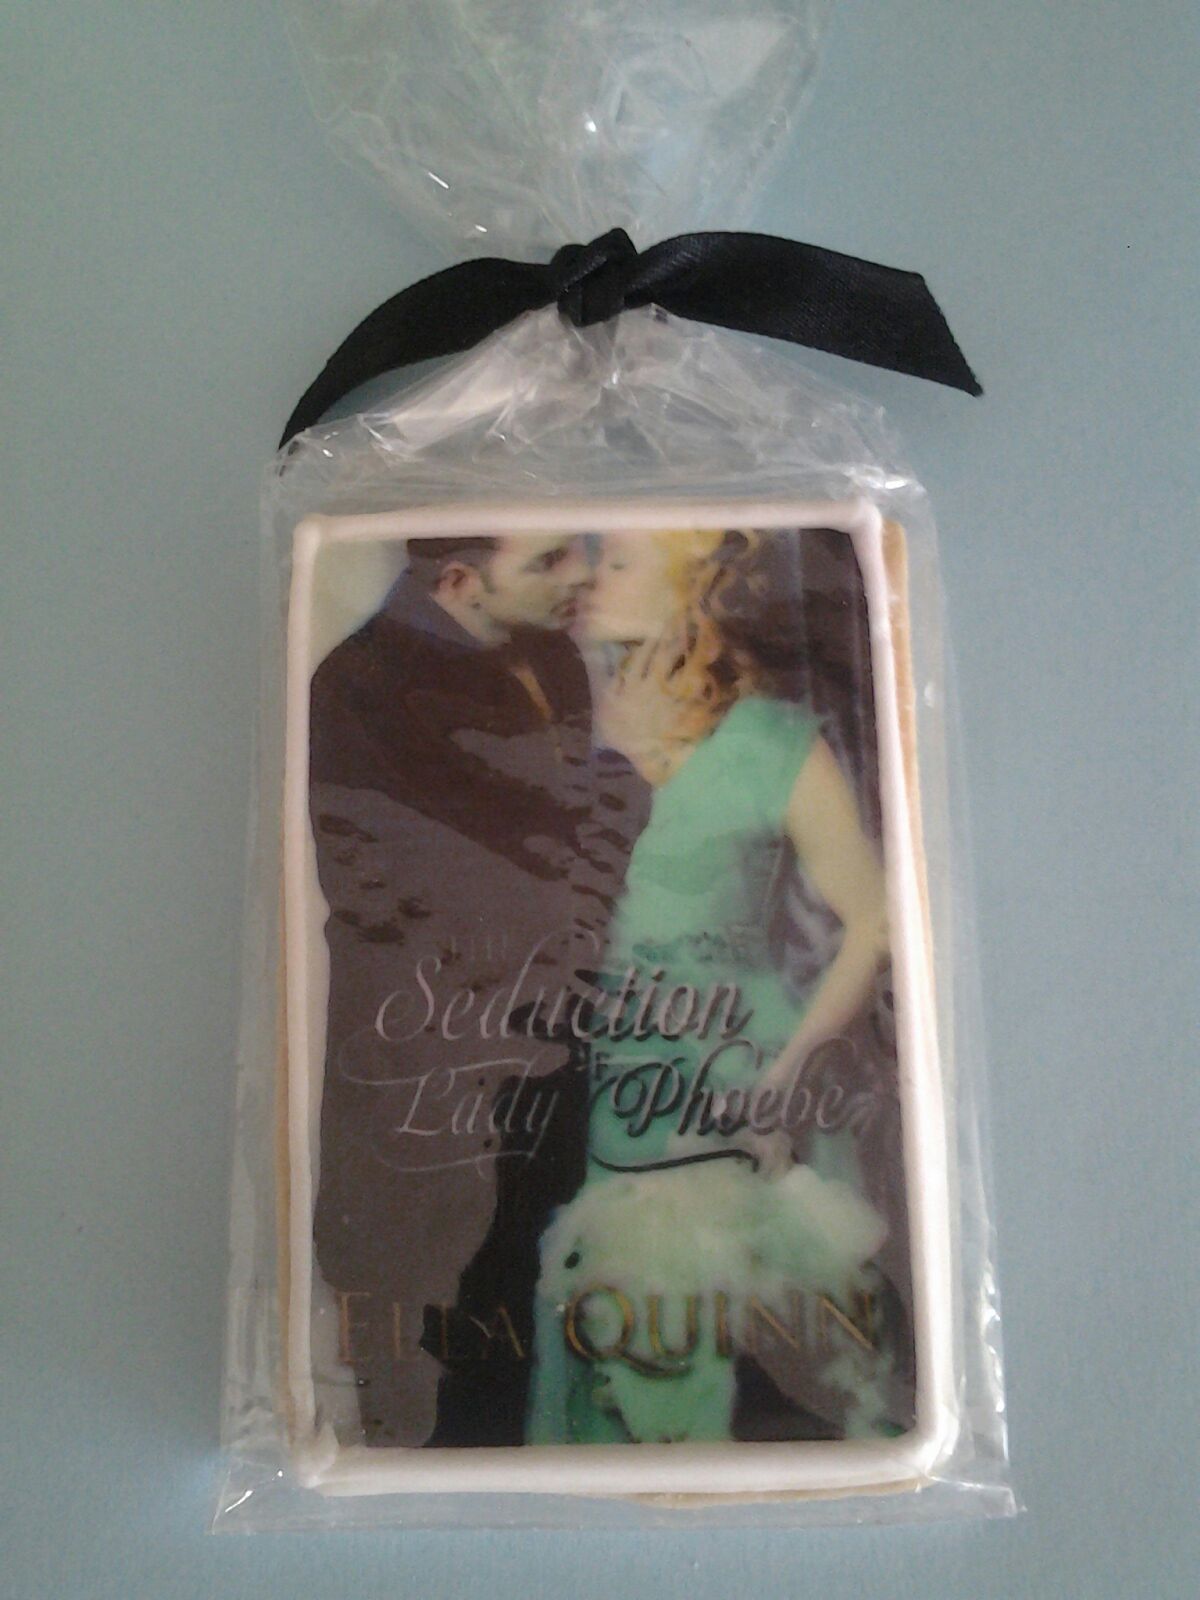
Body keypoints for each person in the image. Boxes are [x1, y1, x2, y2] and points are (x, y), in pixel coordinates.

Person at [527, 528, 903, 1446]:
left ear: (692, 584)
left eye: (618, 560)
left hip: (733, 1083)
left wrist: (788, 1072)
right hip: (592, 1087)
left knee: (726, 1367)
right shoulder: (549, 727)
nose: (589, 576)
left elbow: (875, 919)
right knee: (601, 1354)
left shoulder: (772, 741)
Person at [308, 531, 641, 1448]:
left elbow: (565, 857)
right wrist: (624, 780)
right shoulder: (359, 686)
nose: (580, 575)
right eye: (548, 562)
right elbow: (469, 885)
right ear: (458, 581)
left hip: (548, 1032)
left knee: (532, 1275)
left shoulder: (552, 656)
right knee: (425, 1317)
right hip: (428, 1065)